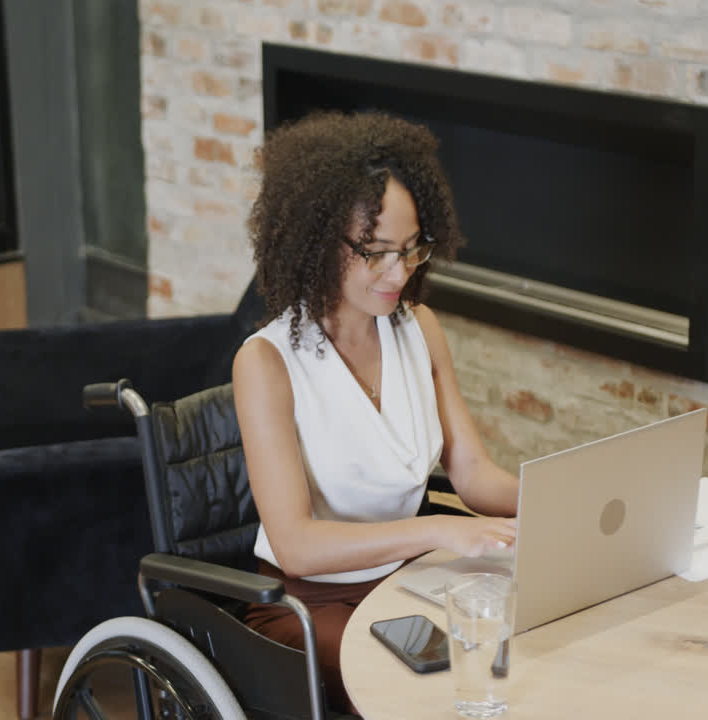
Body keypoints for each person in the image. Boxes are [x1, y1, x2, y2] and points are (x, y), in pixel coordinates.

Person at [232, 110, 519, 714]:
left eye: (413, 250)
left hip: (411, 583)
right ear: (315, 240)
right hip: (310, 606)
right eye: (377, 253)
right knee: (447, 678)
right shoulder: (266, 364)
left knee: (516, 646)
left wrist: (572, 497)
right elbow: (297, 545)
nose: (400, 273)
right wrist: (442, 528)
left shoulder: (420, 330)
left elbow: (473, 476)